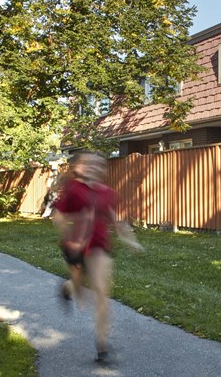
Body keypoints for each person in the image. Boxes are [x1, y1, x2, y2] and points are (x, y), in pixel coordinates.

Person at [52, 152, 143, 363]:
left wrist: (129, 238)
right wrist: (70, 229)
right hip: (75, 248)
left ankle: (102, 345)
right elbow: (59, 215)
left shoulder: (107, 193)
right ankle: (67, 288)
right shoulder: (73, 189)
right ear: (79, 168)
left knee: (102, 292)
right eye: (88, 163)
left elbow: (114, 218)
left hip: (99, 247)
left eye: (98, 164)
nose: (93, 167)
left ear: (103, 170)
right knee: (77, 286)